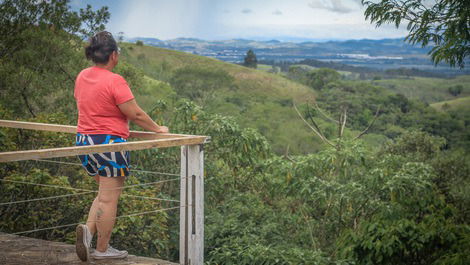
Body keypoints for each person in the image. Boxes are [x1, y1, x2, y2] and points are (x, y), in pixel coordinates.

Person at [73, 31, 169, 261]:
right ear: (114, 55)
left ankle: (87, 234)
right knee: (109, 199)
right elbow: (134, 112)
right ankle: (102, 251)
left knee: (103, 195)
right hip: (109, 144)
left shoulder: (82, 76)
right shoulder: (114, 80)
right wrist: (157, 129)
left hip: (84, 141)